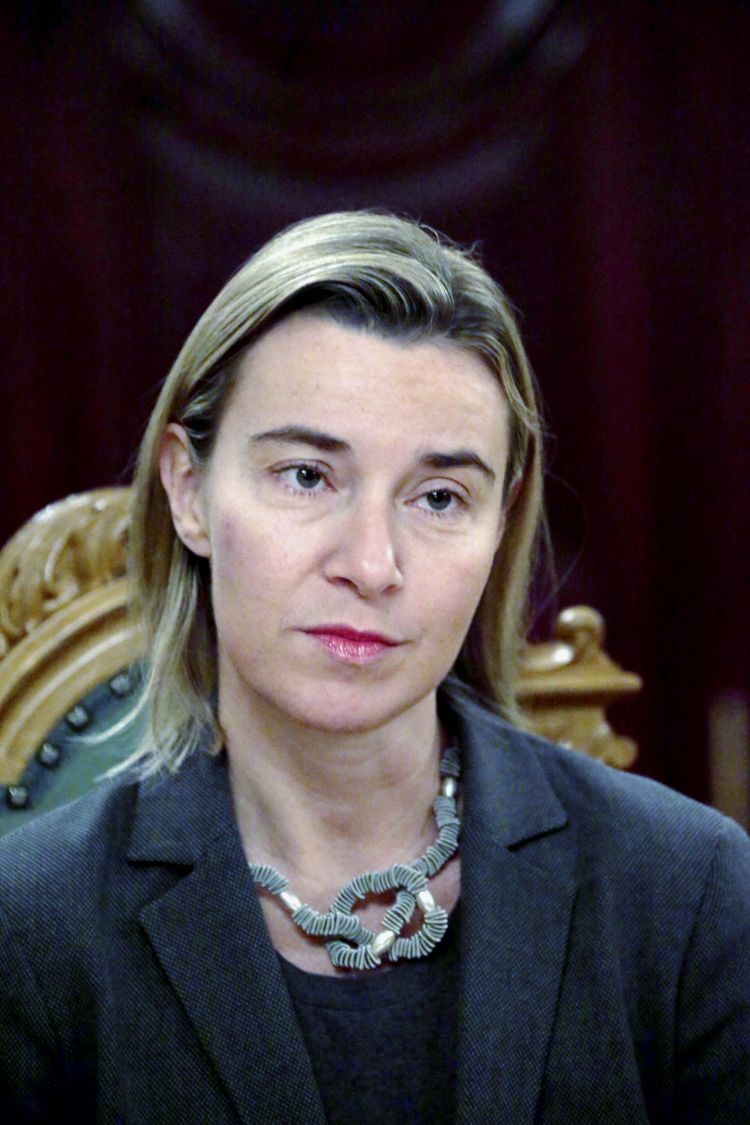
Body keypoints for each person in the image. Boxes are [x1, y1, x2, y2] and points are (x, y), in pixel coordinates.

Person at [0, 211, 748, 1123]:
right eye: (307, 476)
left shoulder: (690, 891)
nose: (371, 563)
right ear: (189, 490)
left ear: (501, 524)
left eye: (439, 497)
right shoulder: (28, 927)